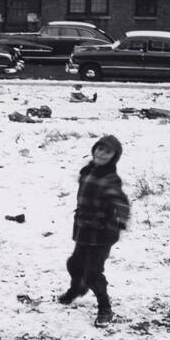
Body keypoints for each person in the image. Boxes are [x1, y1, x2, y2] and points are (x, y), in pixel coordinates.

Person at [58, 135, 130, 326]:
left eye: (107, 152)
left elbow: (121, 202)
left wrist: (121, 220)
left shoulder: (111, 179)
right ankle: (77, 288)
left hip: (102, 232)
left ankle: (105, 307)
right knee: (75, 263)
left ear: (114, 157)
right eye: (99, 148)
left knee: (93, 272)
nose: (101, 153)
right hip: (84, 227)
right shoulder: (87, 171)